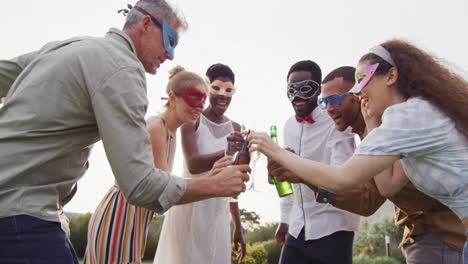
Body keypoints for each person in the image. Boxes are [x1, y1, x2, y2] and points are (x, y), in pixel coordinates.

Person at [0, 1, 249, 263]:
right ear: (145, 25)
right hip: (20, 214)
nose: (171, 55)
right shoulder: (125, 69)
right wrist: (215, 185)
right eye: (170, 40)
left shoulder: (71, 46)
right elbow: (139, 184)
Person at [249, 40, 468, 257]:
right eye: (325, 103)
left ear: (391, 77)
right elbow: (387, 187)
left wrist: (275, 151)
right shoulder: (392, 125)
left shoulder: (405, 118)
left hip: (441, 234)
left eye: (362, 85)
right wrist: (371, 123)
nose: (360, 93)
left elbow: (345, 180)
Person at [85, 66, 211, 263]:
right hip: (121, 214)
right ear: (172, 97)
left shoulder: (172, 131)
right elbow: (163, 188)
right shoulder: (156, 127)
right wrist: (214, 183)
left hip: (138, 217)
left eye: (204, 100)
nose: (200, 106)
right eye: (194, 98)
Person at [154, 63, 246, 264]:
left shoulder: (236, 127)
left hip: (218, 211)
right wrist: (227, 150)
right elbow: (193, 164)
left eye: (229, 90)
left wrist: (237, 225)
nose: (223, 95)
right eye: (217, 88)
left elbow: (233, 179)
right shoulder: (192, 119)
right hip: (190, 205)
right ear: (207, 88)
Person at [271, 60, 359, 264]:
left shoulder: (336, 120)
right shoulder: (288, 127)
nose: (298, 96)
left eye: (305, 89)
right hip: (297, 226)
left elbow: (342, 175)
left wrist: (300, 173)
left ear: (318, 90)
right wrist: (284, 218)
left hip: (333, 226)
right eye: (292, 90)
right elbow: (285, 179)